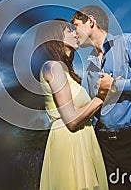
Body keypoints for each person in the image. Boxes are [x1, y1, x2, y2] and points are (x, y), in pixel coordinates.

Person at [70, 5, 131, 189]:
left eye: (75, 26)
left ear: (90, 21)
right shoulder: (91, 68)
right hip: (105, 147)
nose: (74, 33)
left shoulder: (129, 42)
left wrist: (117, 85)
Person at [32, 19, 109, 190]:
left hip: (81, 140)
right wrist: (102, 96)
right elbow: (72, 121)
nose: (76, 34)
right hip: (70, 142)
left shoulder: (62, 68)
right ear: (55, 38)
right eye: (69, 30)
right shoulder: (54, 67)